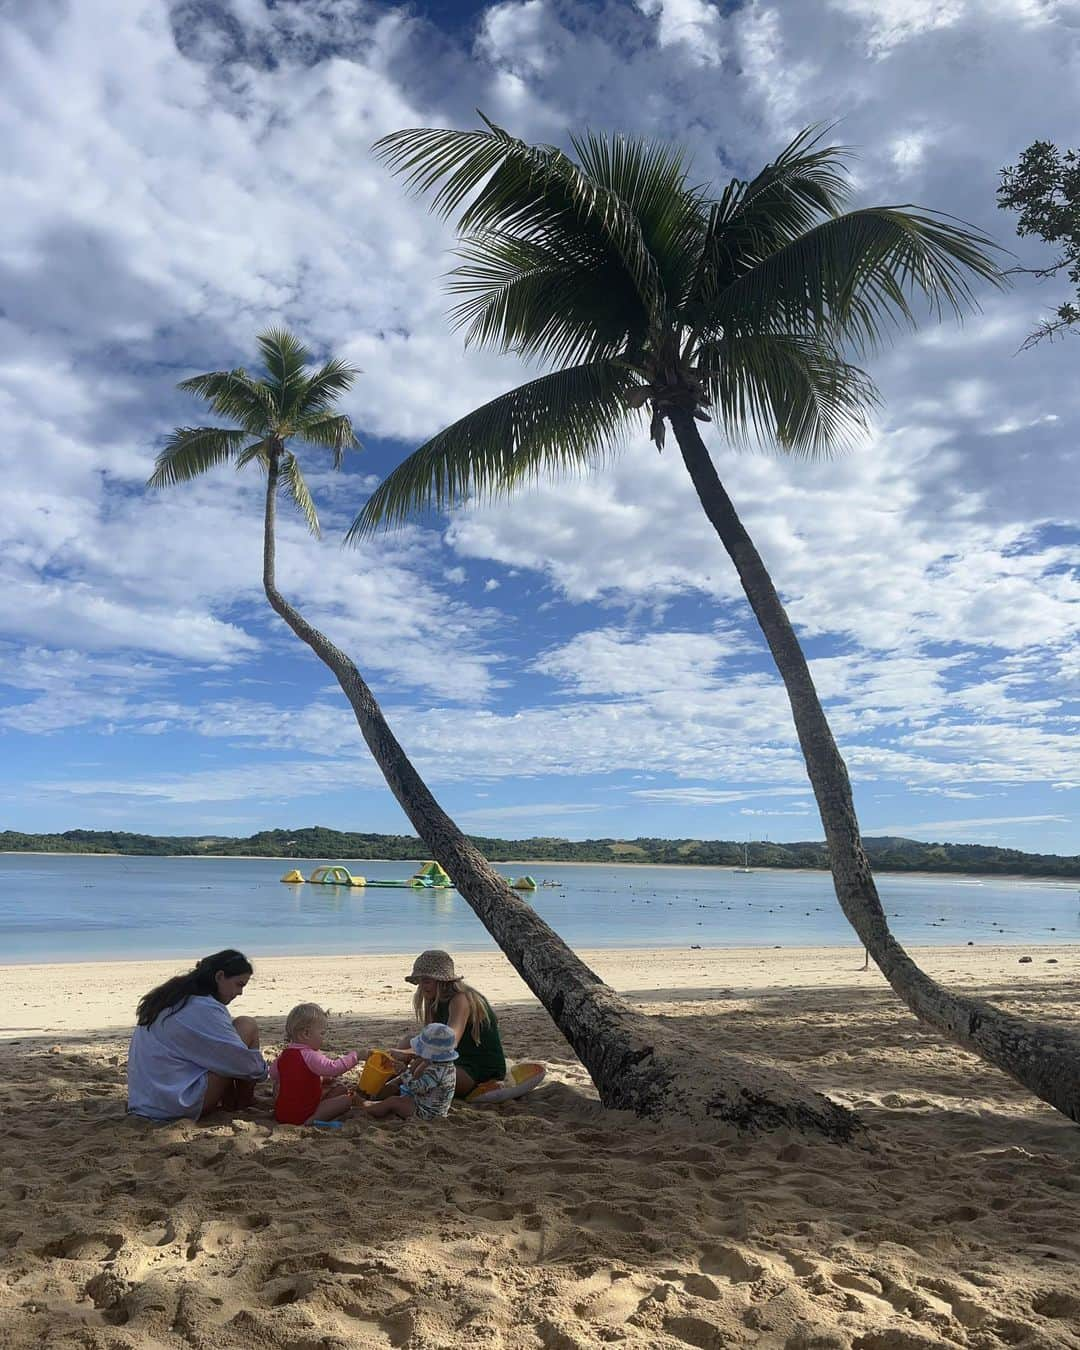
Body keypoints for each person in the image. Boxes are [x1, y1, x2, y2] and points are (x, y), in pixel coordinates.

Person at [127, 949, 267, 1121]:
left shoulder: (172, 998)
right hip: (176, 1105)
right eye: (239, 984)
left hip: (145, 1102)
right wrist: (265, 1073)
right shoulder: (204, 1007)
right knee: (246, 1025)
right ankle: (244, 1102)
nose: (240, 993)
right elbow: (244, 1063)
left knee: (224, 1047)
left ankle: (233, 1101)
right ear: (220, 976)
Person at [401, 951, 506, 1096]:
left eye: (426, 980)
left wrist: (409, 1054)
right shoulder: (433, 999)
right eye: (419, 981)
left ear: (442, 981)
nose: (422, 986)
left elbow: (449, 1041)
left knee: (423, 1071)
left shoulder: (461, 999)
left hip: (478, 1067)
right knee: (407, 1043)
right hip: (454, 1059)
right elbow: (429, 1040)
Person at [270, 1003, 358, 1126]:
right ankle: (312, 1121)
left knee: (340, 1089)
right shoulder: (310, 1055)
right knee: (347, 1100)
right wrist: (356, 1056)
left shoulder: (282, 1056)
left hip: (282, 1115)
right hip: (304, 1115)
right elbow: (334, 1068)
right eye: (322, 1033)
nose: (323, 1038)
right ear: (306, 1034)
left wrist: (318, 1079)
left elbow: (274, 1075)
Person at [360, 1023, 457, 1122]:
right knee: (399, 1100)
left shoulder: (435, 1071)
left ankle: (365, 1109)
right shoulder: (448, 1066)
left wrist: (404, 1072)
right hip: (432, 1108)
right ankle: (372, 1105)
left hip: (427, 1113)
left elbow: (416, 1088)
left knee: (394, 1101)